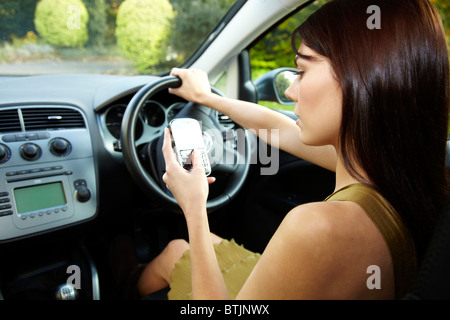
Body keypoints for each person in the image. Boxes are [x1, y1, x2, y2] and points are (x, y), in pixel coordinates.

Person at [134, 0, 449, 299]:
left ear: (359, 80)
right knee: (176, 250)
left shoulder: (318, 227)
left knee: (170, 256)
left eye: (302, 71)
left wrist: (193, 206)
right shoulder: (392, 169)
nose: (289, 89)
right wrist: (209, 98)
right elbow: (281, 130)